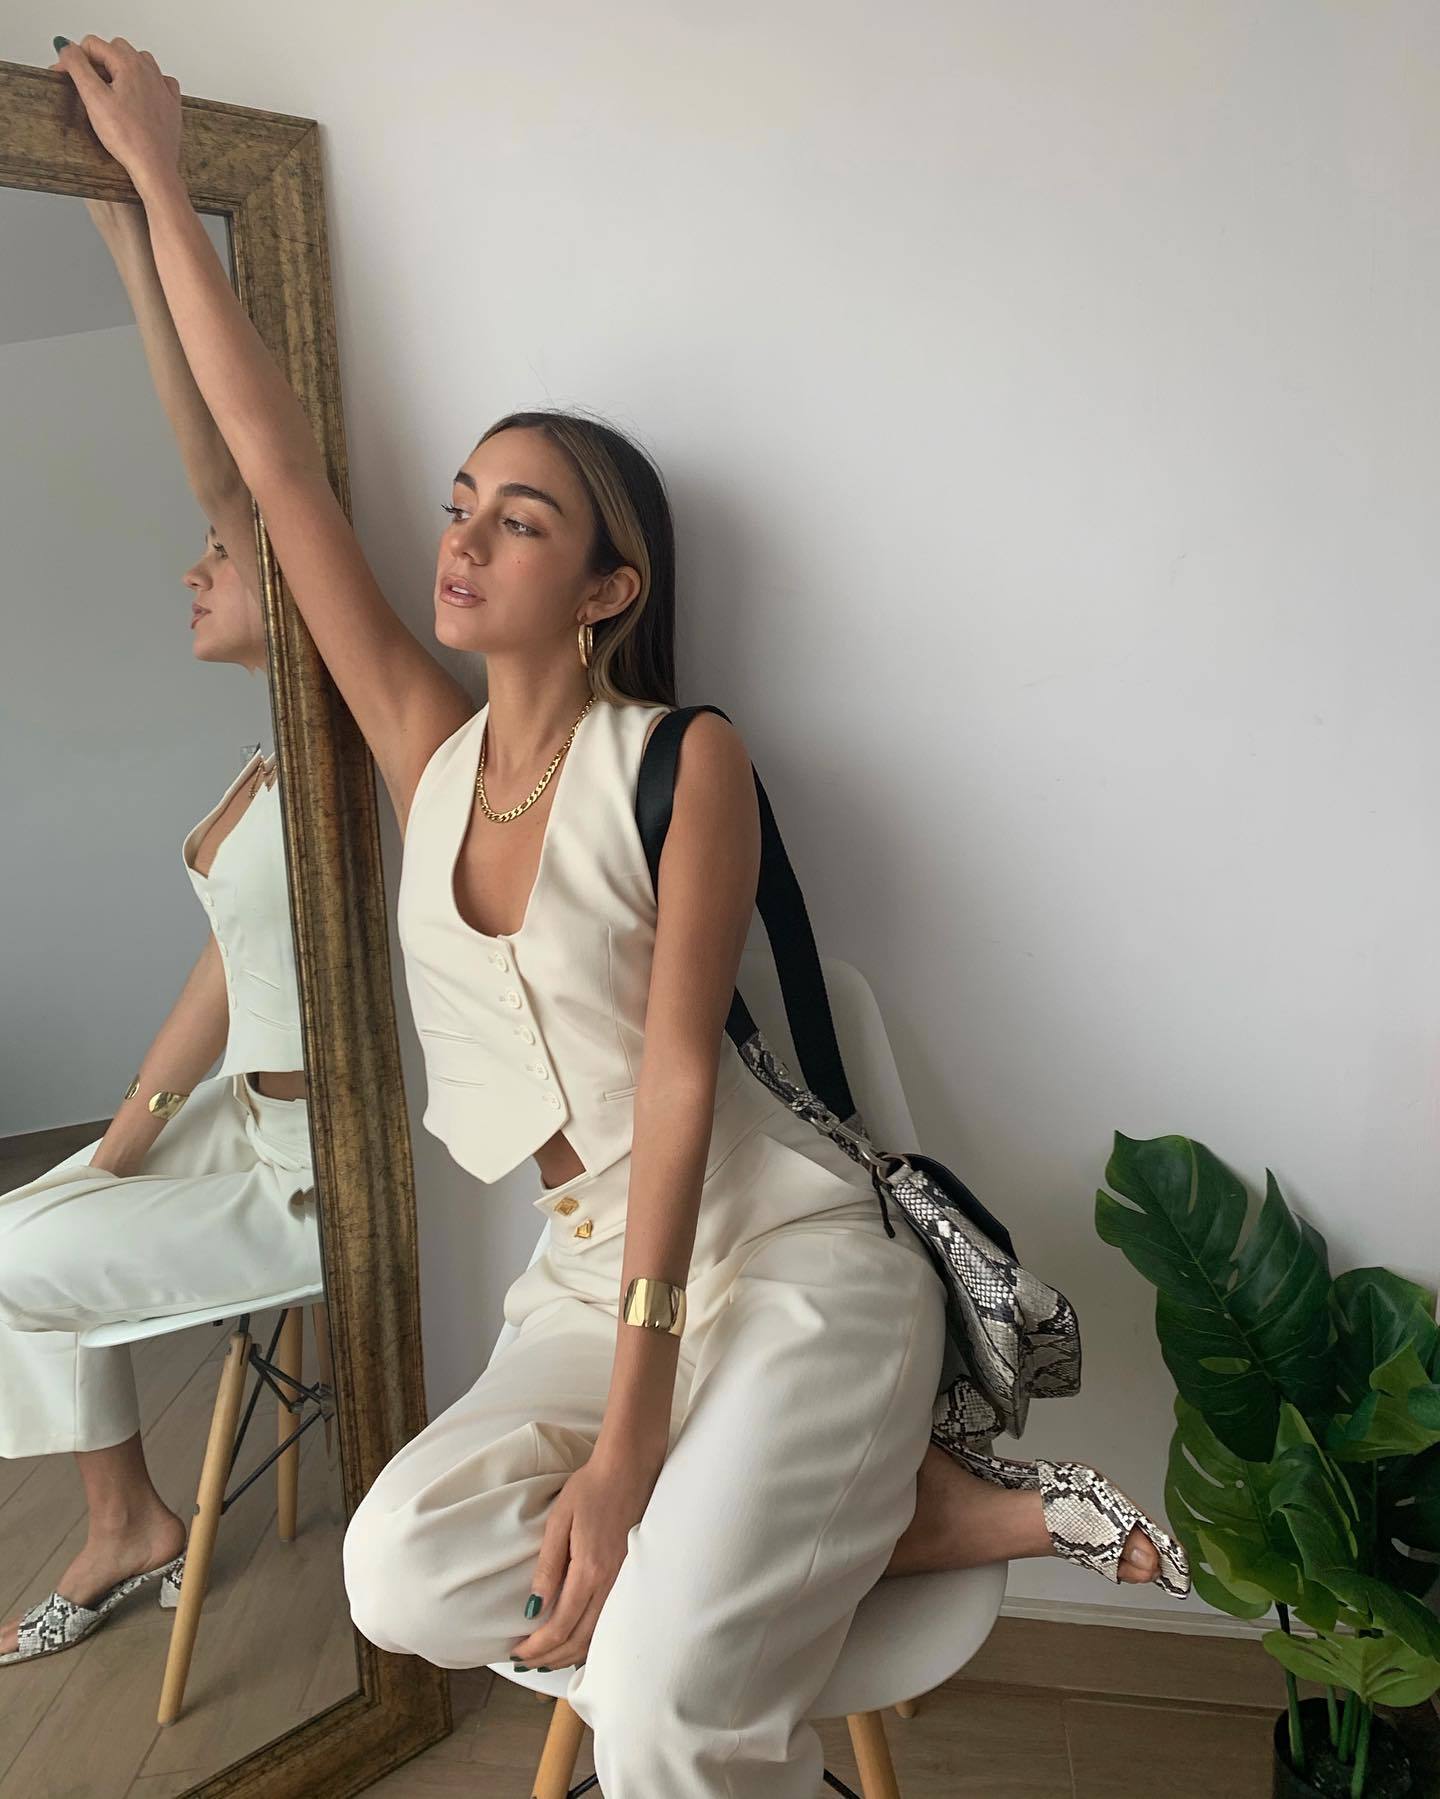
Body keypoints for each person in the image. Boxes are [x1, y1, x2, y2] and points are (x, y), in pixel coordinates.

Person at [51, 35, 1189, 1791]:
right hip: (578, 1283)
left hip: (780, 1261)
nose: (462, 542)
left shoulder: (681, 759)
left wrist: (634, 1439)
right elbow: (276, 474)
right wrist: (153, 181)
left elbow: (676, 1075)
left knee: (653, 1703)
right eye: (460, 508)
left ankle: (828, 1535)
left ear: (608, 587)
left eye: (520, 522)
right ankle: (909, 1518)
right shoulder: (426, 756)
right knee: (393, 1567)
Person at [0, 193, 318, 1666]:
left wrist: (135, 241)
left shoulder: (346, 733)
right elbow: (229, 969)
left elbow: (227, 471)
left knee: (6, 1264)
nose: (193, 570)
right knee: (30, 1215)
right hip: (243, 1126)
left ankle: (127, 1521)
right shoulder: (274, 757)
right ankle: (126, 1517)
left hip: (315, 1176)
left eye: (221, 555)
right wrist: (125, 1135)